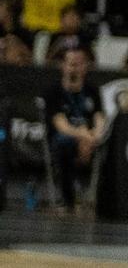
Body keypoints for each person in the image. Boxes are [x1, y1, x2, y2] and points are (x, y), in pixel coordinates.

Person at [43, 45, 108, 210]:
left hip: (90, 140)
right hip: (64, 138)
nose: (75, 68)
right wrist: (83, 136)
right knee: (65, 143)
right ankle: (69, 199)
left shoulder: (92, 90)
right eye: (71, 63)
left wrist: (95, 136)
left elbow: (99, 118)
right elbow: (60, 124)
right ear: (63, 66)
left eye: (79, 64)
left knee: (105, 145)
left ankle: (102, 200)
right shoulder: (54, 91)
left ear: (86, 66)